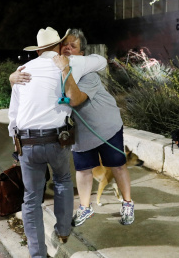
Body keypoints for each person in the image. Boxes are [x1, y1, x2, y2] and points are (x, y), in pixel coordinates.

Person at [10, 29, 135, 226]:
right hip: (80, 132)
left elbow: (74, 99)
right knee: (83, 170)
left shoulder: (87, 75)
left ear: (81, 54)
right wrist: (13, 79)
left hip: (105, 127)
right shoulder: (56, 70)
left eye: (73, 46)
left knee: (117, 165)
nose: (67, 48)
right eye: (65, 44)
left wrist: (66, 70)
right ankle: (85, 208)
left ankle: (127, 203)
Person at [8, 26, 106, 258]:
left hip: (27, 140)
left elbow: (13, 113)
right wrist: (70, 63)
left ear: (39, 49)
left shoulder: (22, 70)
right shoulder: (69, 63)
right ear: (58, 45)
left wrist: (15, 141)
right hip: (57, 140)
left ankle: (37, 253)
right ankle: (62, 231)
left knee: (31, 198)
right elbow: (101, 61)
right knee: (62, 181)